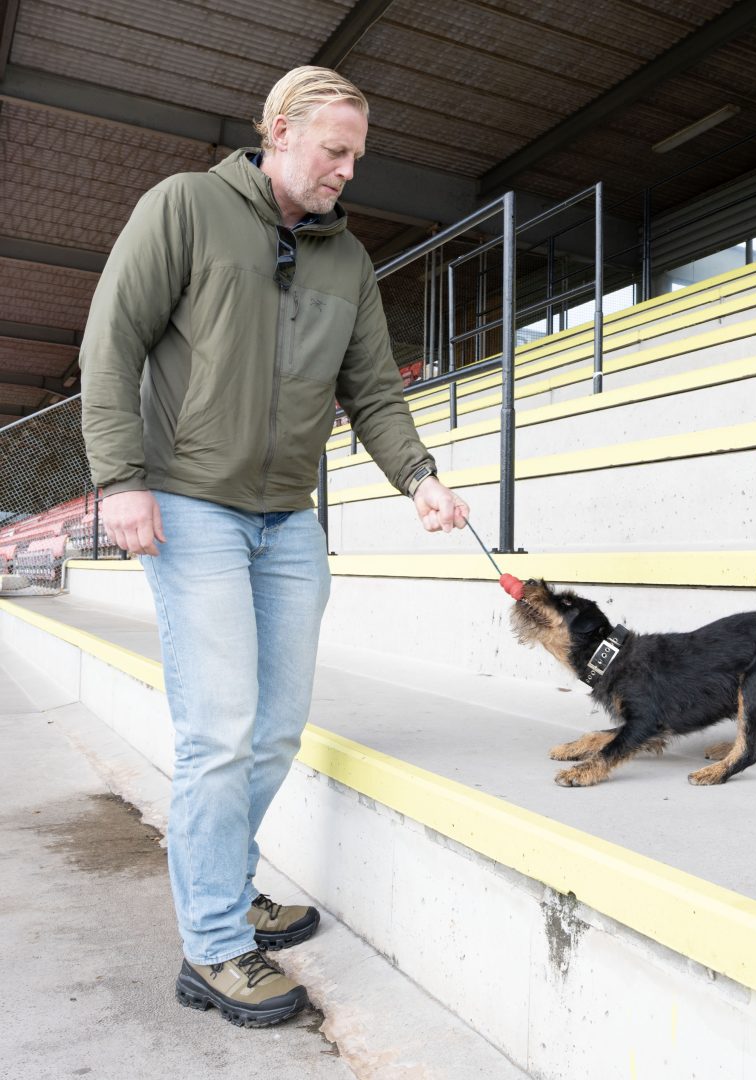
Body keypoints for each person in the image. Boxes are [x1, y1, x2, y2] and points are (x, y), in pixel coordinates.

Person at [79, 66, 468, 1028]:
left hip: (289, 519)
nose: (347, 171)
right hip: (192, 506)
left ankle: (223, 881)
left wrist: (419, 476)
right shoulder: (185, 208)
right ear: (280, 130)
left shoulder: (348, 262)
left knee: (275, 729)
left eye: (357, 156)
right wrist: (121, 477)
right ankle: (213, 946)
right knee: (219, 730)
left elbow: (372, 390)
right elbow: (112, 339)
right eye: (335, 150)